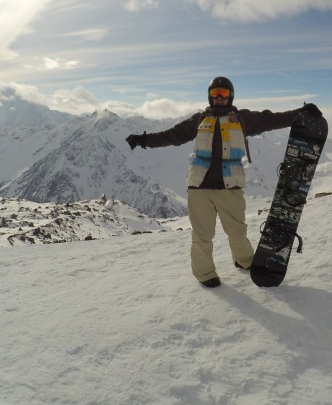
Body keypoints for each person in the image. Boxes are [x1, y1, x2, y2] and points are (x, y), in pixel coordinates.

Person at [125, 77, 321, 288]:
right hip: (199, 186)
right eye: (216, 93)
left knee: (237, 231)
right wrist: (143, 140)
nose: (219, 97)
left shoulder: (243, 118)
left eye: (224, 93)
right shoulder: (199, 120)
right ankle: (204, 272)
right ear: (210, 95)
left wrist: (300, 114)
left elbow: (272, 119)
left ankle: (244, 260)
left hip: (230, 186)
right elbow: (172, 135)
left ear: (231, 96)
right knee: (202, 235)